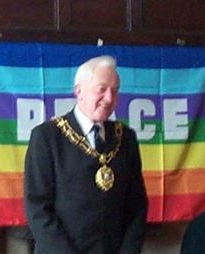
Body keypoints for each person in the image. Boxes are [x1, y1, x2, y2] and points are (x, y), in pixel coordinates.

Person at [24, 55, 148, 254]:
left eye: (115, 91)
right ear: (79, 91)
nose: (110, 98)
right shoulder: (47, 137)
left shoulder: (125, 138)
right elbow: (38, 209)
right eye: (102, 89)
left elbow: (137, 207)